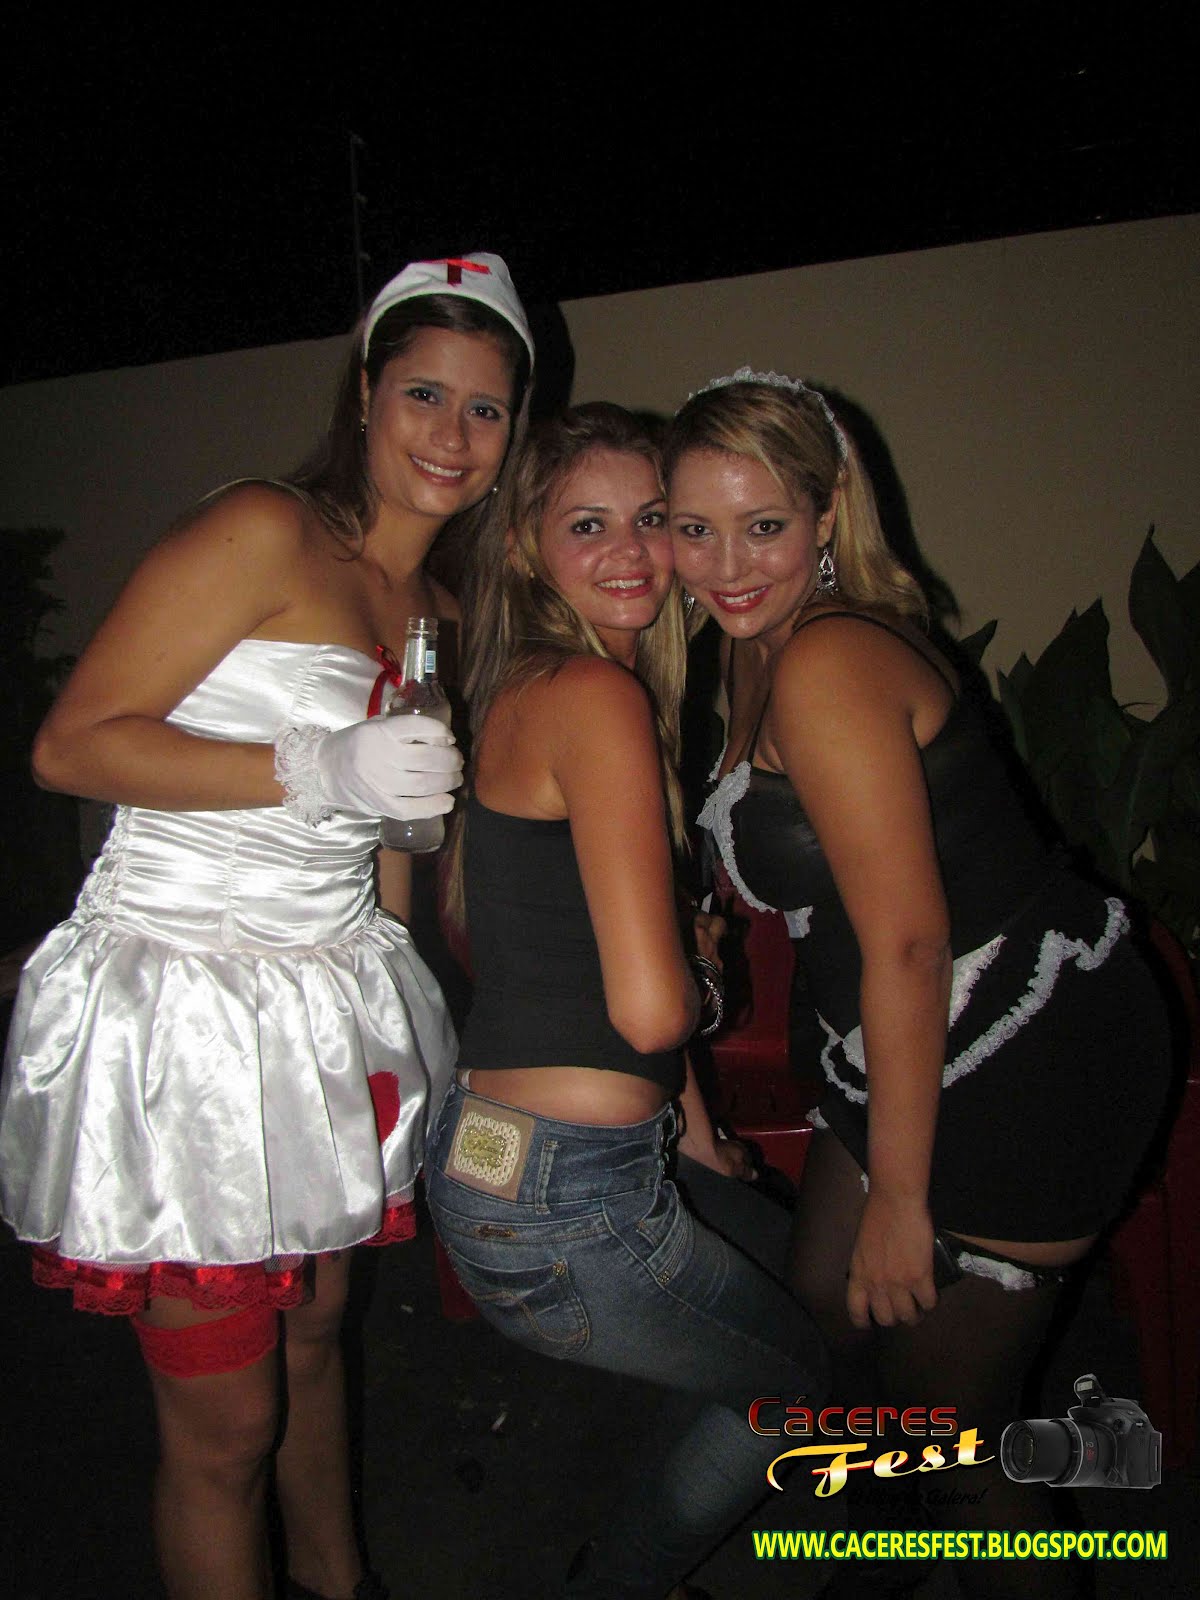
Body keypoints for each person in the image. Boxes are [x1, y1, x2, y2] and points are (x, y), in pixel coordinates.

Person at [0, 253, 533, 1600]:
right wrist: (317, 764)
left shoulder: (437, 609)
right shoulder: (262, 529)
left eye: (485, 407)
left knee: (316, 1336)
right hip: (184, 1002)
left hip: (324, 1008)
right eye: (424, 393)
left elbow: (392, 844)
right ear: (364, 395)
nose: (452, 434)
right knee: (227, 1424)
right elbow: (72, 746)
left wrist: (410, 1008)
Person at [664, 369, 1172, 1598]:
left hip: (1026, 1049)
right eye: (693, 528)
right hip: (902, 1037)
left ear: (827, 512)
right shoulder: (754, 644)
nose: (726, 563)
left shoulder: (828, 658)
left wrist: (902, 1196)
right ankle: (881, 1563)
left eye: (763, 524)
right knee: (828, 1322)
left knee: (954, 1436)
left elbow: (907, 943)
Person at [425, 402, 828, 1600]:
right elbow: (651, 1011)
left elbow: (578, 966)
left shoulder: (533, 686)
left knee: (795, 1266)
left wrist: (699, 1136)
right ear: (523, 546)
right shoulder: (596, 700)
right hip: (568, 1199)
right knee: (801, 1386)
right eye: (586, 524)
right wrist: (702, 969)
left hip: (501, 1161)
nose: (631, 552)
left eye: (651, 519)